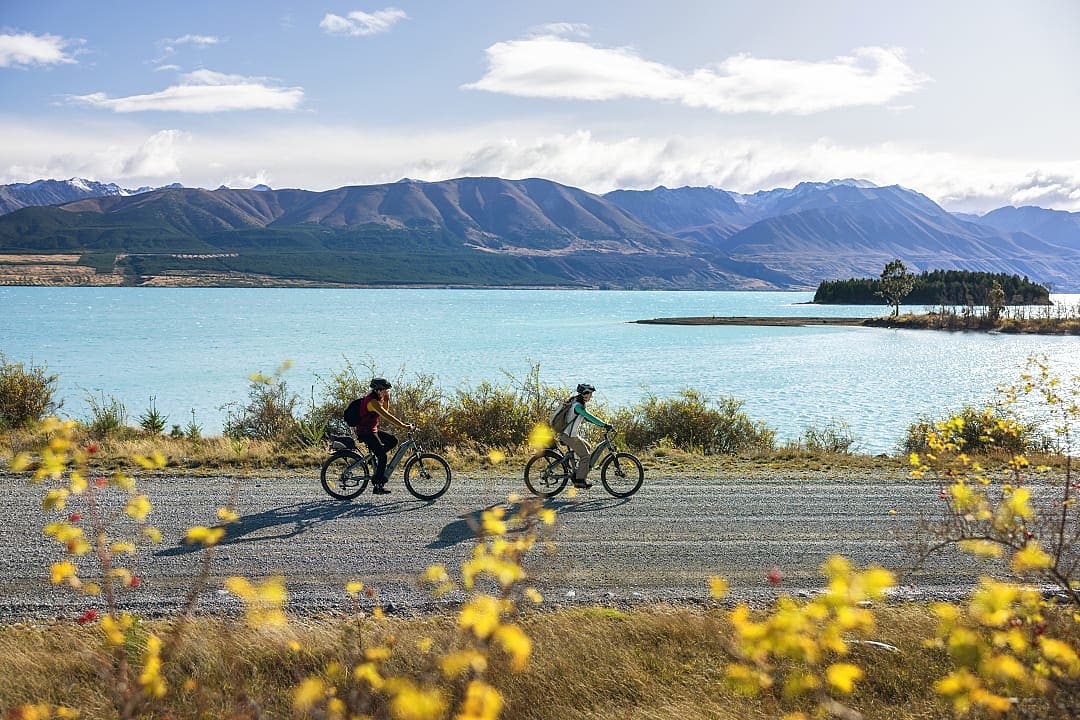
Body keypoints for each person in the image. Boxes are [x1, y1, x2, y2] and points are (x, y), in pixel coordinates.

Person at [351, 377, 414, 494]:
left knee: (393, 441)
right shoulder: (372, 402)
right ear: (378, 390)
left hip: (371, 430)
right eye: (385, 390)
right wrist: (404, 426)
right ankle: (378, 484)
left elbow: (385, 409)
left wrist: (386, 399)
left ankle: (373, 459)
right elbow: (387, 416)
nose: (387, 391)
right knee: (383, 457)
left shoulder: (376, 398)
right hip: (366, 432)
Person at [557, 383, 614, 489]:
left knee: (587, 447)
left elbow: (585, 418)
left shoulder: (577, 402)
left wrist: (598, 423)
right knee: (586, 456)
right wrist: (604, 425)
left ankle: (577, 471)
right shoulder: (578, 406)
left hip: (570, 434)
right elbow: (588, 416)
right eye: (590, 394)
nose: (591, 396)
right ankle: (579, 480)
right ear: (584, 394)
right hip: (569, 436)